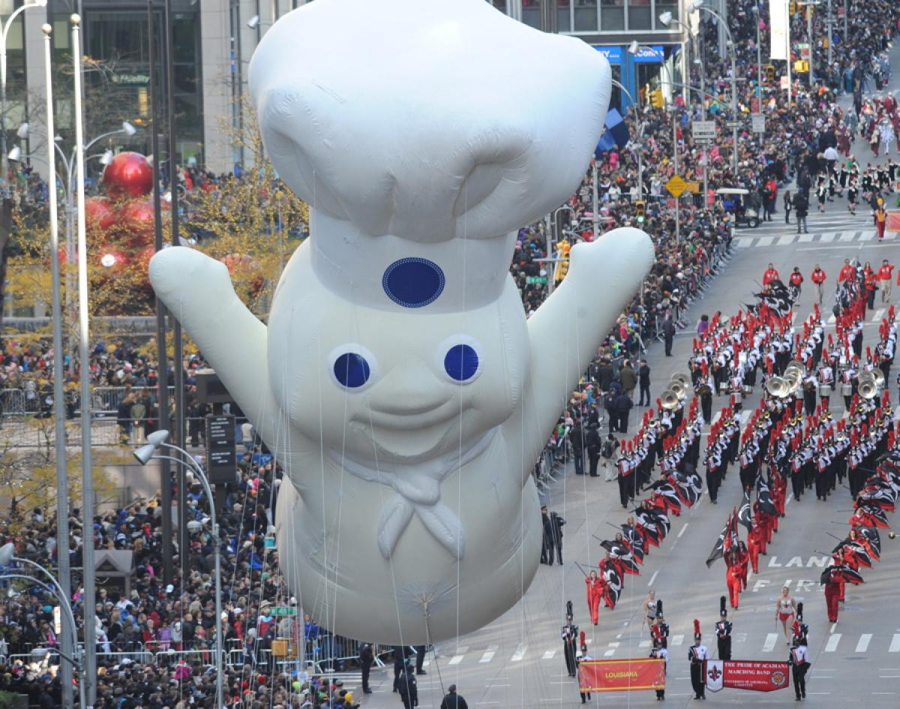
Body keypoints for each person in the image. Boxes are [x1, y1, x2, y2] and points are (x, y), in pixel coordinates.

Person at [688, 621, 708, 700]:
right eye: (696, 640)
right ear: (694, 639)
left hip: (701, 666)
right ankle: (697, 694)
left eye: (699, 640)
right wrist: (695, 659)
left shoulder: (704, 648)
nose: (697, 641)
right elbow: (689, 657)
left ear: (701, 639)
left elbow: (707, 658)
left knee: (701, 681)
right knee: (694, 680)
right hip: (694, 666)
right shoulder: (691, 648)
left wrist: (703, 662)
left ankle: (702, 693)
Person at [790, 634, 811, 701]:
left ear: (800, 641)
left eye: (798, 641)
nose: (796, 642)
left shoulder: (804, 649)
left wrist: (805, 669)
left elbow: (806, 659)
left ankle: (803, 691)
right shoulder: (791, 649)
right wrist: (790, 661)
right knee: (795, 682)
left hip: (802, 666)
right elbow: (790, 657)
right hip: (795, 667)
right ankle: (798, 695)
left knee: (801, 680)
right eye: (795, 641)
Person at [562, 612, 579, 678]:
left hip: (572, 643)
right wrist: (566, 635)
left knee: (573, 656)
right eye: (568, 620)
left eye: (570, 620)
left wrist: (572, 637)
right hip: (566, 643)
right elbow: (562, 635)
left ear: (572, 620)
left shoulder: (574, 627)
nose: (569, 621)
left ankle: (573, 671)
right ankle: (569, 671)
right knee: (567, 657)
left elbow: (576, 634)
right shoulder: (564, 627)